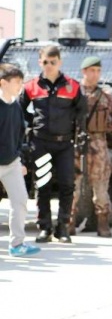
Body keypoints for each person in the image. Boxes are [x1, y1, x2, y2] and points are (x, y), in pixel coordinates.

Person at [21, 45, 87, 244]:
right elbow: (20, 111)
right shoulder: (31, 86)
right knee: (43, 185)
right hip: (41, 143)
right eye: (45, 62)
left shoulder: (72, 86)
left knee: (67, 185)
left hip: (64, 144)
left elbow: (81, 113)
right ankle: (45, 228)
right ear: (40, 62)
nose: (49, 66)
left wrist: (80, 137)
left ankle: (63, 228)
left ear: (60, 62)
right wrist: (32, 125)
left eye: (53, 62)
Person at [69, 56, 112, 237]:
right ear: (84, 71)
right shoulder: (72, 93)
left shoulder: (106, 96)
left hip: (99, 144)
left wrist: (102, 128)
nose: (96, 74)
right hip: (76, 142)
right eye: (92, 70)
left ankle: (102, 223)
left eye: (98, 71)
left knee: (101, 184)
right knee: (72, 184)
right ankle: (69, 223)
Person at [0, 64, 41, 257]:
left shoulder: (16, 106)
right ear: (3, 83)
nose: (20, 86)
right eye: (16, 82)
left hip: (12, 164)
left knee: (20, 201)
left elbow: (19, 137)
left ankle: (17, 244)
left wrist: (21, 161)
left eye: (21, 82)